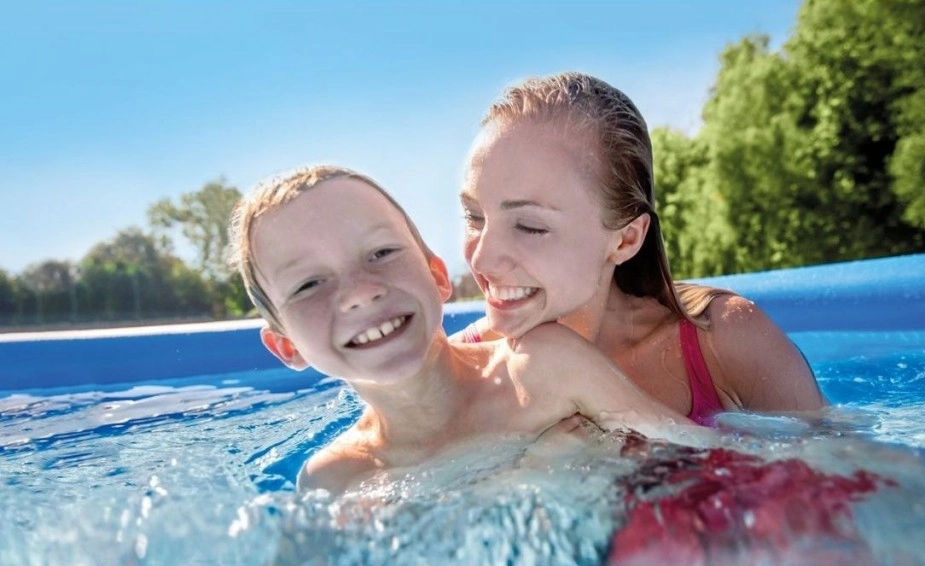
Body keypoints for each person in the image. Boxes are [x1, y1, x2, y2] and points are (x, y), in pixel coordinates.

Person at [229, 164, 704, 496]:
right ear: (286, 346)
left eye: (381, 253)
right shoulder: (335, 479)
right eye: (309, 284)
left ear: (439, 277)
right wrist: (527, 477)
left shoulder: (542, 369)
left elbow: (704, 455)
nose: (359, 293)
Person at [456, 71, 826, 425]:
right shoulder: (458, 368)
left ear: (626, 239)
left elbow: (837, 460)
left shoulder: (725, 343)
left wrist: (599, 392)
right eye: (474, 216)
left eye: (530, 227)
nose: (482, 259)